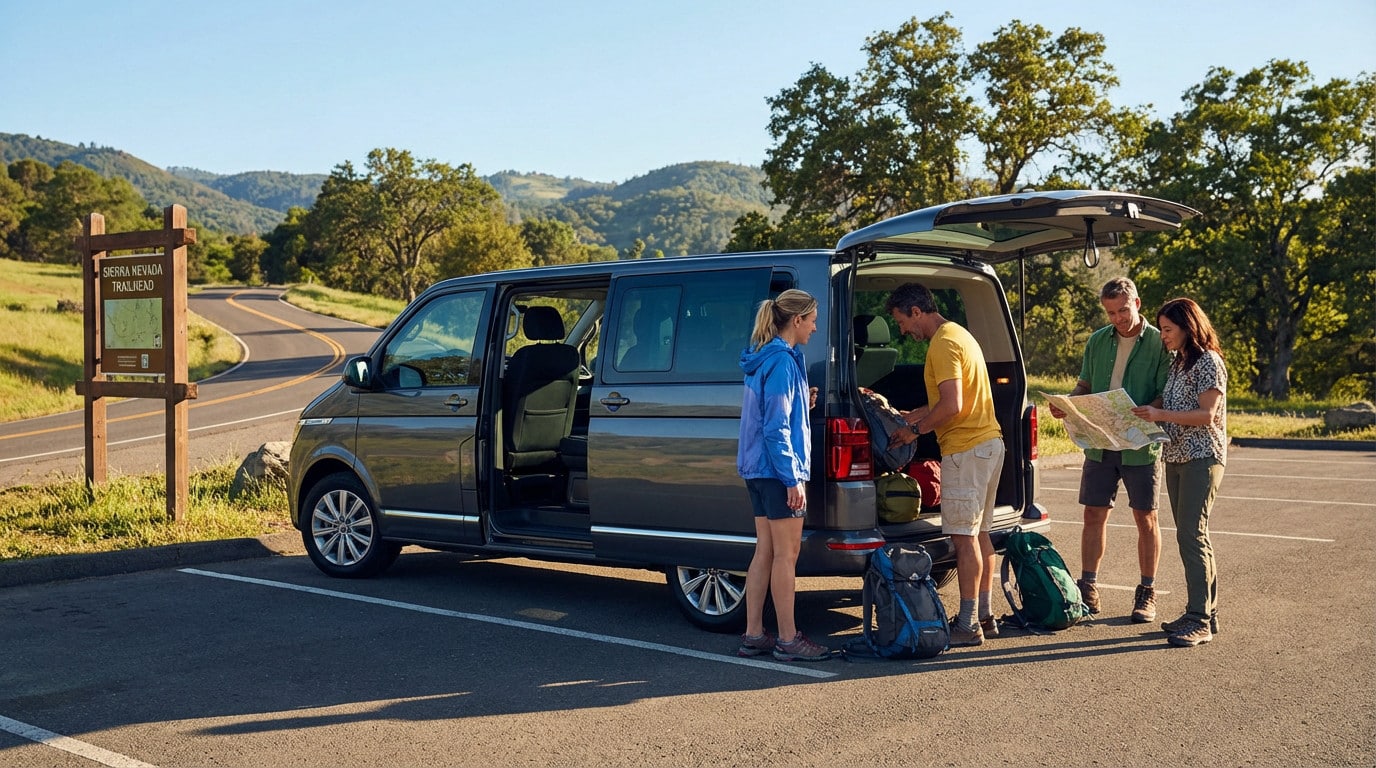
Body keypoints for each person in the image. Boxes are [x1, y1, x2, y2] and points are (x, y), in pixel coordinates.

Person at [885, 283, 1005, 647]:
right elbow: (949, 400)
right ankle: (984, 614)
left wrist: (914, 432)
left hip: (966, 449)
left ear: (917, 311)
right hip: (988, 444)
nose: (904, 330)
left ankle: (967, 625)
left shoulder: (943, 344)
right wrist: (914, 415)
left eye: (903, 321)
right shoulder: (960, 334)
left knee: (963, 539)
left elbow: (953, 407)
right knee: (981, 534)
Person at [1048, 277, 1169, 623]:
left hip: (1139, 443)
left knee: (1145, 517)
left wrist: (1146, 412)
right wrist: (1068, 403)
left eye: (1122, 310)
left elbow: (1164, 393)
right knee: (1093, 513)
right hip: (1100, 442)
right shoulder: (1099, 341)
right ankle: (1089, 587)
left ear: (1138, 303)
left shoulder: (1161, 343)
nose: (1117, 318)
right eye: (1110, 312)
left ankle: (1146, 592)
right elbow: (1084, 384)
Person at [735, 288, 831, 662]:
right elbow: (776, 428)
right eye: (811, 320)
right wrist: (793, 479)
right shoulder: (783, 363)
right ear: (796, 320)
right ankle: (789, 639)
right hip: (778, 472)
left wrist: (801, 406)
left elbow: (771, 413)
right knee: (786, 555)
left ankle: (754, 633)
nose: (815, 326)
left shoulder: (765, 358)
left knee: (766, 550)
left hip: (757, 469)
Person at [1131, 297, 1227, 648]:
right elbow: (1169, 406)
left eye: (1169, 330)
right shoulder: (1178, 363)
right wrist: (1145, 414)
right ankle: (1202, 613)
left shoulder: (1208, 362)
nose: (1164, 337)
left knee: (1192, 535)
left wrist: (1161, 417)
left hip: (1203, 456)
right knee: (1189, 535)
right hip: (1175, 456)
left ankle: (1200, 620)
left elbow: (1207, 415)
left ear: (1188, 327)